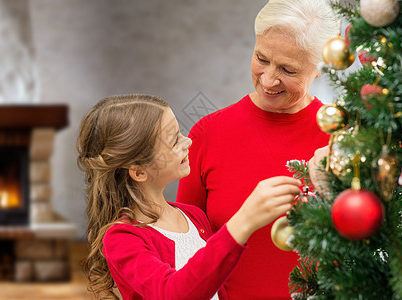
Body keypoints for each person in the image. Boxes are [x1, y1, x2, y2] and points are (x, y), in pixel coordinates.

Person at [176, 0, 339, 298]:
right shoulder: (207, 134)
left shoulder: (341, 139)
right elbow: (186, 248)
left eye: (288, 69)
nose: (268, 79)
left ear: (319, 69)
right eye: (261, 58)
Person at [77, 94, 302, 300]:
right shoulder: (122, 239)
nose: (188, 142)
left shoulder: (193, 216)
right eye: (174, 141)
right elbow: (173, 293)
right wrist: (244, 221)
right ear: (139, 172)